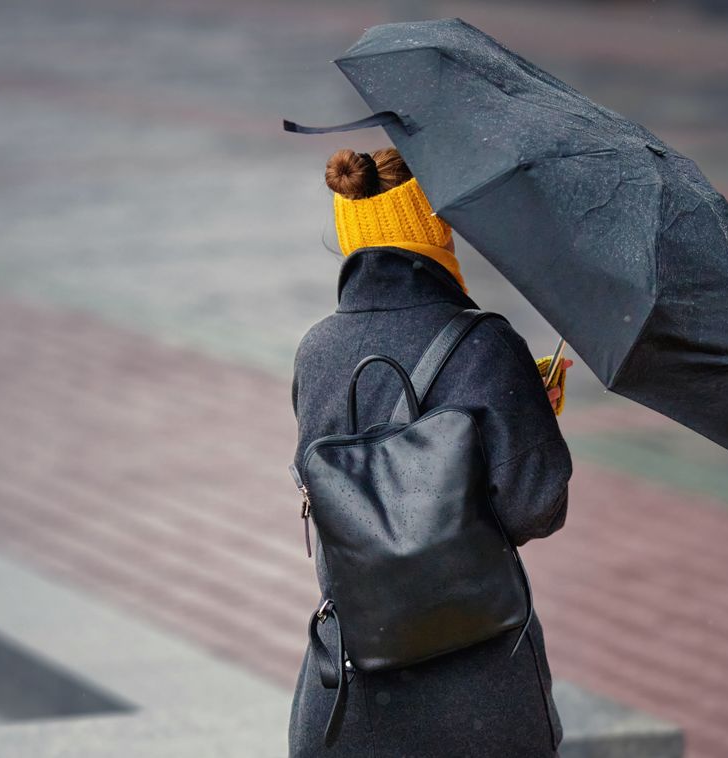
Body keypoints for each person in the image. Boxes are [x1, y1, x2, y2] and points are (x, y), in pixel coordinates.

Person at [287, 146, 573, 757]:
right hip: (478, 698)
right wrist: (533, 414)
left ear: (351, 239)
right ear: (434, 231)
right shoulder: (488, 345)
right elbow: (535, 507)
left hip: (350, 691)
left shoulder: (316, 352)